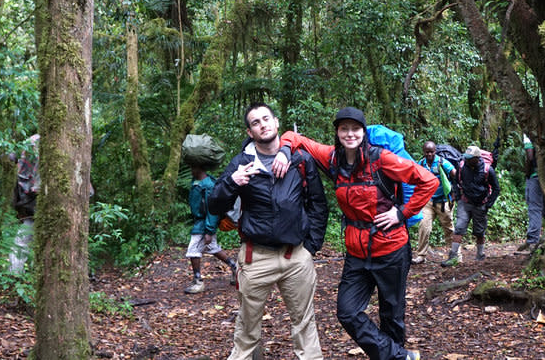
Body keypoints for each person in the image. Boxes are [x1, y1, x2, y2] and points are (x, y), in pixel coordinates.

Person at [279, 106, 438, 360]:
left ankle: (394, 355)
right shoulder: (332, 158)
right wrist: (285, 150)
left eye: (355, 128)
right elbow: (293, 137)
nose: (350, 134)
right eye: (344, 129)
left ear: (364, 132)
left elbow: (428, 181)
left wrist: (401, 214)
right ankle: (399, 356)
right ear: (337, 132)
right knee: (347, 312)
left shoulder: (381, 159)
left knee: (391, 316)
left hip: (391, 250)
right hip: (356, 253)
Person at [208, 102, 329, 360]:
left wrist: (311, 247)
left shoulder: (300, 160)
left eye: (266, 119)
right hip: (255, 257)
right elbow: (214, 204)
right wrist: (232, 182)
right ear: (250, 132)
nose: (262, 125)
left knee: (304, 323)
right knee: (247, 328)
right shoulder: (242, 163)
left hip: (296, 255)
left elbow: (318, 204)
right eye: (255, 122)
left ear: (276, 123)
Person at [441, 145, 500, 266]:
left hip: (480, 204)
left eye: (469, 158)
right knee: (459, 228)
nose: (466, 160)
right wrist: (457, 197)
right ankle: (453, 257)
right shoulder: (462, 166)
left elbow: (496, 188)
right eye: (466, 157)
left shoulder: (487, 170)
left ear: (477, 158)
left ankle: (480, 255)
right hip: (465, 202)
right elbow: (456, 182)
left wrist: (489, 204)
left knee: (479, 231)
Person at [184, 160, 238, 294]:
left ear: (199, 167)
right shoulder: (196, 182)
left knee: (193, 250)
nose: (191, 169)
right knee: (212, 248)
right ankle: (235, 268)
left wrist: (209, 230)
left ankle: (198, 281)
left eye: (192, 166)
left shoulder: (208, 185)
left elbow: (212, 210)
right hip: (200, 222)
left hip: (204, 224)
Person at [411, 141, 456, 264]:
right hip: (428, 201)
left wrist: (455, 192)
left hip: (443, 202)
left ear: (435, 151)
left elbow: (455, 174)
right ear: (424, 152)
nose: (429, 154)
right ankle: (421, 255)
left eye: (431, 152)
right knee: (424, 227)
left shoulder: (442, 162)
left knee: (449, 229)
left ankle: (455, 255)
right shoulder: (420, 163)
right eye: (427, 152)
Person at [8, 135, 40, 274]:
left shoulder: (31, 160)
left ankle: (15, 275)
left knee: (21, 242)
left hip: (38, 209)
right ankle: (17, 275)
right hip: (33, 210)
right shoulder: (27, 166)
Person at [517, 135, 545, 253]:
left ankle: (532, 241)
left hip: (535, 176)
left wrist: (527, 173)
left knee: (534, 208)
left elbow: (529, 156)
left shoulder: (529, 134)